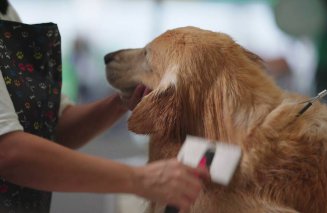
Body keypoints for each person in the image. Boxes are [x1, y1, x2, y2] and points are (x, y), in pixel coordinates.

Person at [0, 1, 209, 213]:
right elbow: (8, 152)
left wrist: (120, 102)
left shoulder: (8, 12)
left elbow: (52, 129)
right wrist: (141, 179)